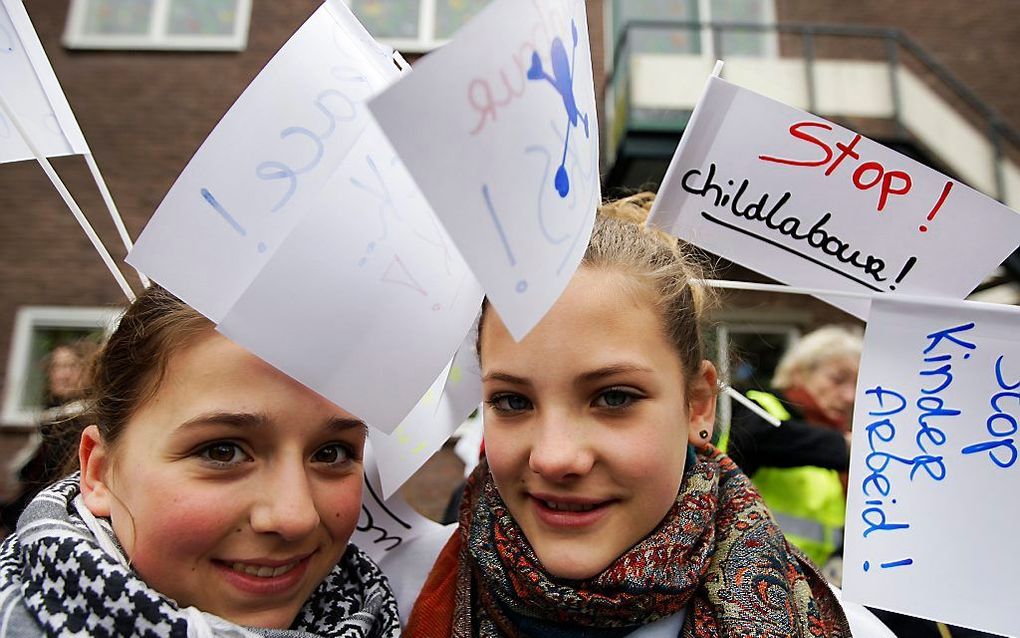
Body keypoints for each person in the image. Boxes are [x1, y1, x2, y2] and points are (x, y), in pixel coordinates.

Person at [403, 193, 880, 637]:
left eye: (613, 398)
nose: (554, 458)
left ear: (697, 405)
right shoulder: (395, 595)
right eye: (512, 401)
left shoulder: (851, 628)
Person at [0, 286, 401, 638]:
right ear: (100, 472)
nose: (295, 517)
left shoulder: (399, 610)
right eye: (222, 451)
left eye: (331, 453)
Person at [726, 326, 862, 566]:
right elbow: (760, 436)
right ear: (799, 372)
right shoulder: (760, 406)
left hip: (813, 577)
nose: (850, 396)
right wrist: (846, 447)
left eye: (856, 384)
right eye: (838, 380)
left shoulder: (827, 431)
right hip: (755, 571)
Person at [1, 340, 98, 533]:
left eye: (71, 366)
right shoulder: (51, 416)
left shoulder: (81, 421)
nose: (62, 374)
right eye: (56, 366)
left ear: (89, 370)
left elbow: (49, 479)